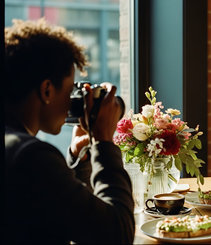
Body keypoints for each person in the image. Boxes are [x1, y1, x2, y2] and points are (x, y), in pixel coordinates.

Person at [4, 19, 135, 244]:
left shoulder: (14, 146)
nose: (71, 102)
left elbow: (72, 213)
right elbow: (117, 233)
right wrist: (104, 141)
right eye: (70, 89)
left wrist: (78, 155)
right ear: (47, 90)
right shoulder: (31, 157)